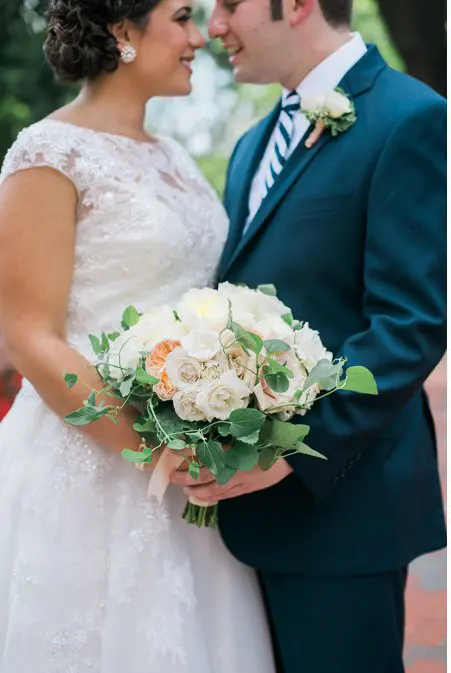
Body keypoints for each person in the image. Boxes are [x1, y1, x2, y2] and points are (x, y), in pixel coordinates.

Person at [167, 1, 448, 671]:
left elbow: (409, 324)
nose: (214, 28)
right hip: (243, 528)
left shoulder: (410, 117)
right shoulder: (248, 148)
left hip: (344, 510)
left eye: (230, 5)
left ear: (294, 4)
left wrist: (287, 453)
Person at [0, 1, 275, 670]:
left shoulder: (176, 156)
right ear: (122, 32)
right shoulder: (47, 152)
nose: (198, 37)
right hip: (89, 458)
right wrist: (151, 448)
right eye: (182, 17)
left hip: (190, 459)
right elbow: (28, 335)